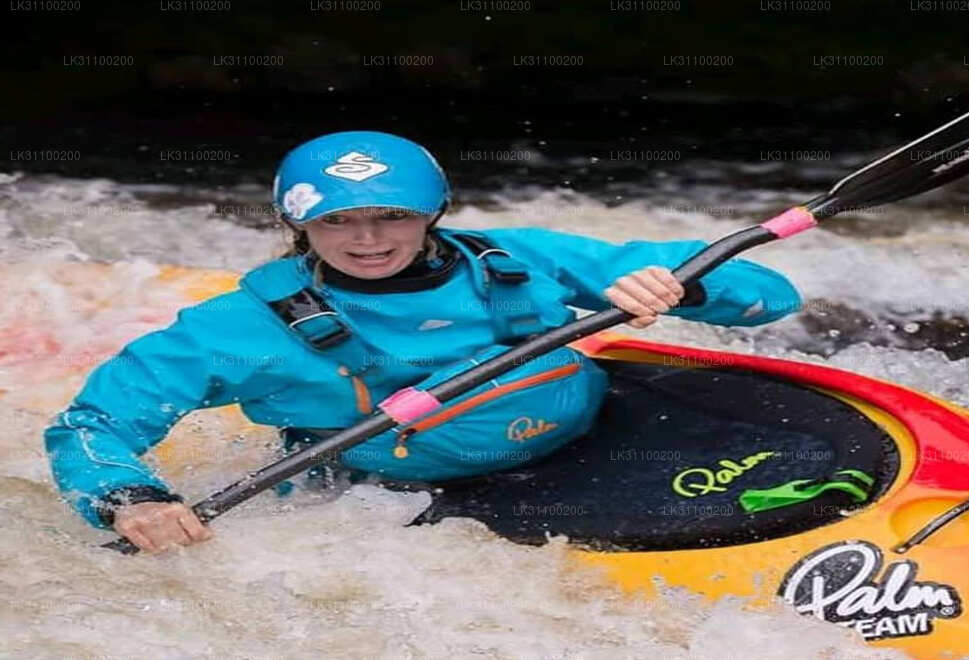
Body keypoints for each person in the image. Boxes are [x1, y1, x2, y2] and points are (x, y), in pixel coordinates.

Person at [44, 130, 803, 554]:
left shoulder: (516, 257)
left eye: (391, 216)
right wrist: (127, 500)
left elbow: (774, 298)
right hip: (405, 499)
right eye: (338, 221)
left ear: (433, 212)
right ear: (297, 226)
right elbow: (92, 425)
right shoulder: (239, 331)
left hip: (593, 441)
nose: (368, 240)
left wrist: (685, 286)